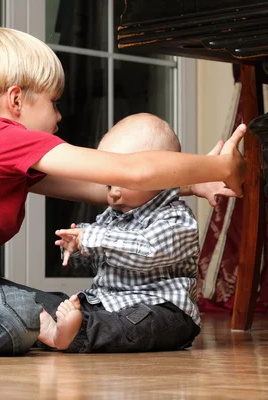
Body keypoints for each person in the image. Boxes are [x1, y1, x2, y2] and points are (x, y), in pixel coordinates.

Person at [0, 27, 247, 356]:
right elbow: (133, 170)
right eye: (54, 103)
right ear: (17, 100)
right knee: (16, 317)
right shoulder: (1, 137)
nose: (59, 117)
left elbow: (108, 188)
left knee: (51, 305)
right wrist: (219, 166)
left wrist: (191, 184)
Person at [38, 114, 202, 353]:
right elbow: (104, 259)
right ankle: (55, 327)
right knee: (65, 304)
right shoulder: (112, 214)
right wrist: (77, 248)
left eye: (121, 182)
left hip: (163, 309)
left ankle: (74, 332)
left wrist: (93, 238)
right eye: (107, 184)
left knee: (138, 324)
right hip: (109, 303)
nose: (113, 194)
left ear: (162, 174)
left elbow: (146, 250)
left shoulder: (176, 218)